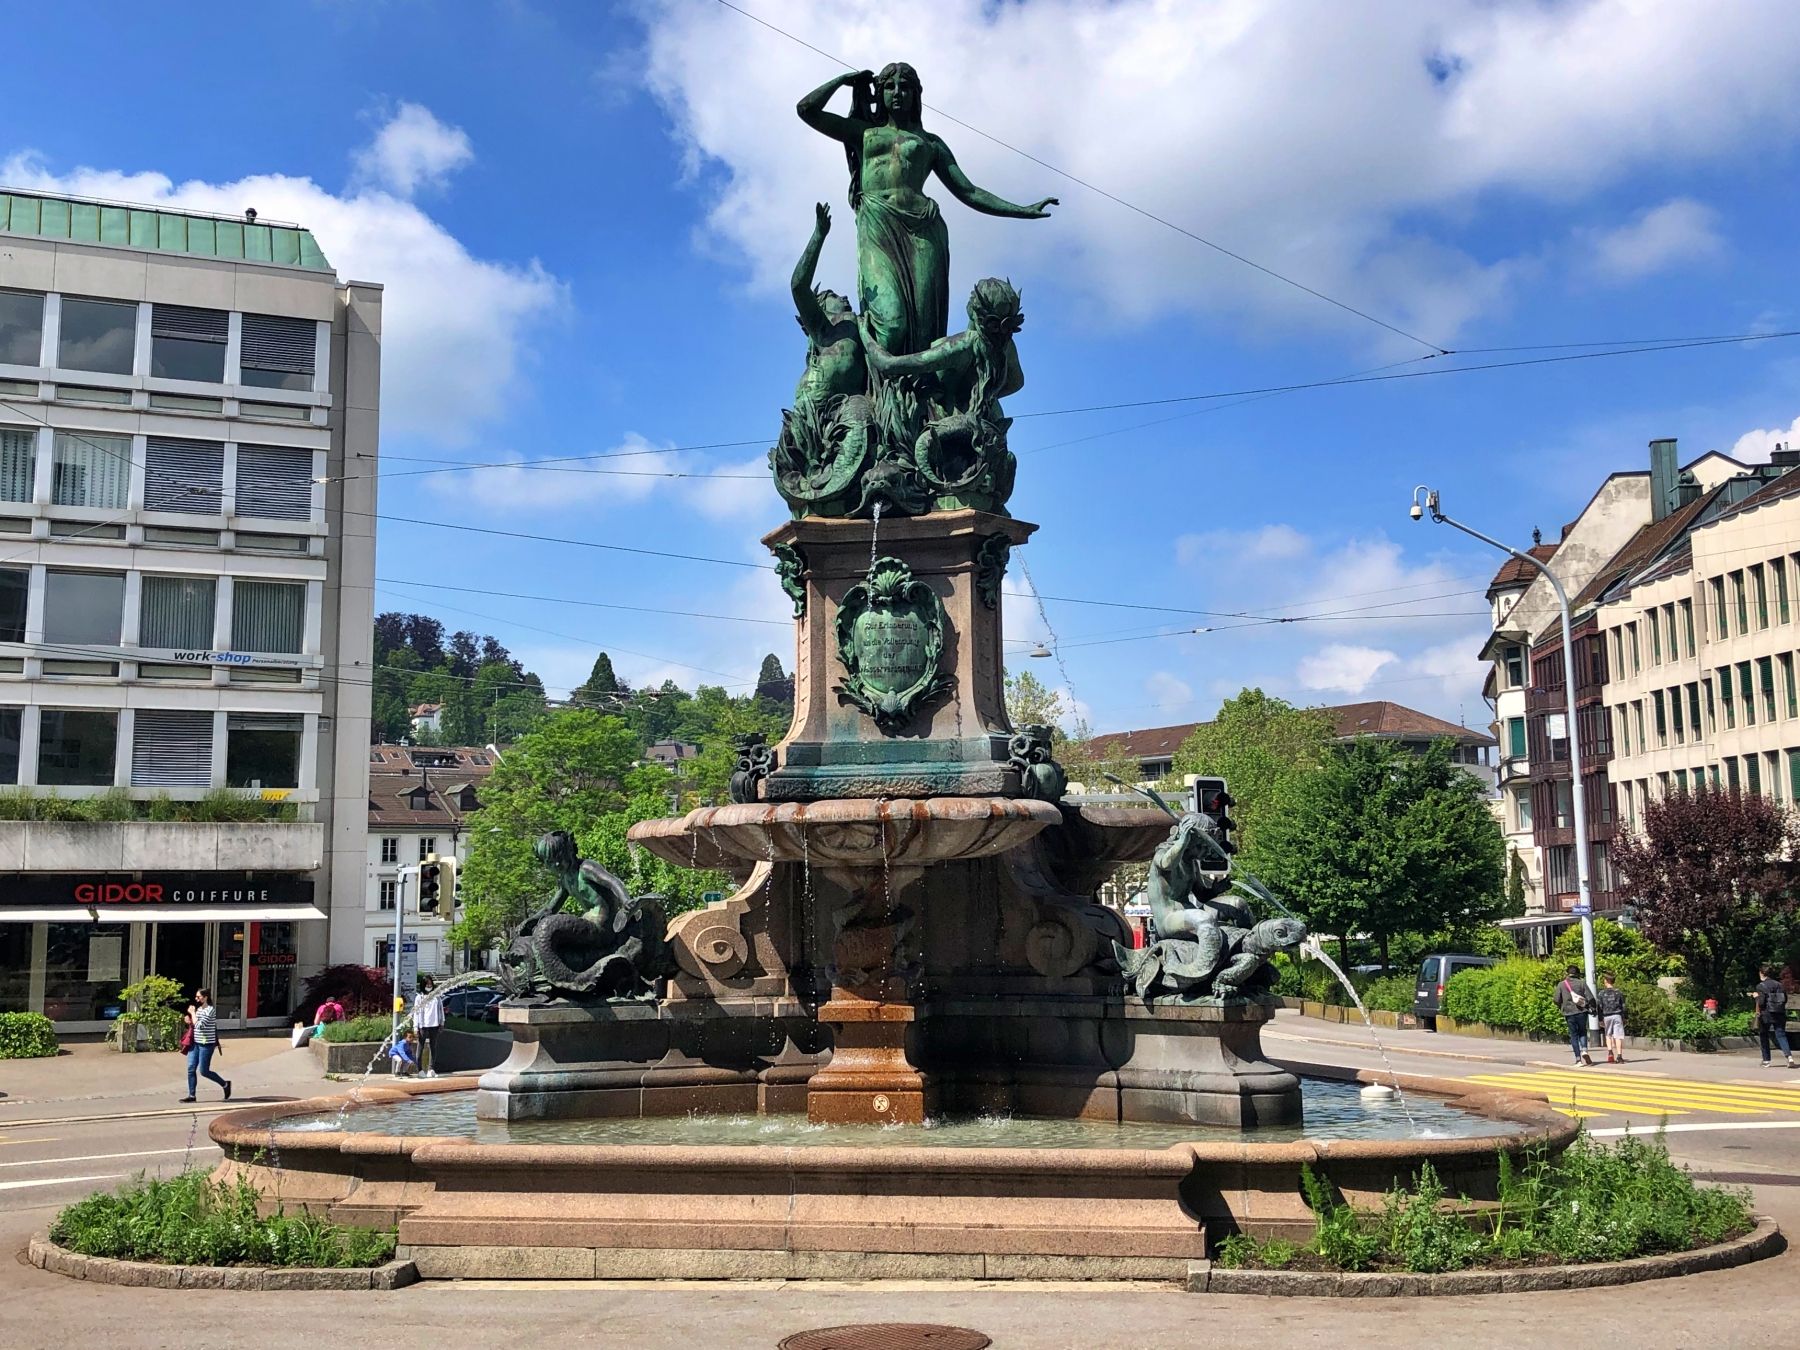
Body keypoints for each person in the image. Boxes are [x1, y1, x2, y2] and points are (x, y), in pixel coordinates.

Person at [797, 63, 1056, 359]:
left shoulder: (930, 144)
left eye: (905, 87)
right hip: (878, 227)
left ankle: (920, 399)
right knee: (891, 325)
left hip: (925, 231)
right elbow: (807, 110)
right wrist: (843, 80)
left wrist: (1022, 209)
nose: (897, 93)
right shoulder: (864, 133)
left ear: (916, 94)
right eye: (890, 87)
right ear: (879, 93)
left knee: (924, 332)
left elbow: (969, 191)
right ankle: (882, 388)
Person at [179, 988, 231, 1103]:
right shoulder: (199, 1010)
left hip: (206, 1044)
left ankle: (225, 1084)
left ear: (205, 997)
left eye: (199, 997)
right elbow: (195, 1024)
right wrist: (189, 1020)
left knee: (204, 1071)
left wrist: (192, 1013)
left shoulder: (210, 1010)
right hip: (195, 1043)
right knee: (191, 1068)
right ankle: (192, 1095)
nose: (196, 999)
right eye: (196, 997)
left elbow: (201, 1026)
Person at [1754, 963, 1795, 1069]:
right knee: (1781, 1035)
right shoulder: (1779, 985)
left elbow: (1762, 1002)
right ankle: (1789, 1057)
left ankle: (1766, 1060)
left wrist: (1755, 997)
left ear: (1762, 973)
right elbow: (1784, 999)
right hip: (1779, 1013)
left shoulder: (1760, 986)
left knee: (1764, 1035)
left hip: (1766, 1014)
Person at [1554, 965, 1596, 1067]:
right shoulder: (1581, 983)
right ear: (1577, 973)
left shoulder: (1561, 984)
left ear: (1567, 973)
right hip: (1582, 1012)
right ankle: (1584, 1050)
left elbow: (1556, 999)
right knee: (1582, 1032)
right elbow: (1590, 997)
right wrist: (1593, 1008)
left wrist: (1562, 1006)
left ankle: (1578, 1059)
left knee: (1574, 1035)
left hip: (1569, 1013)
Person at [414, 976, 444, 1079]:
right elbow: (416, 1013)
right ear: (423, 985)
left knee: (433, 1047)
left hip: (434, 1025)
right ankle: (419, 1070)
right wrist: (416, 1027)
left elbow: (441, 1010)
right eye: (427, 985)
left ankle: (431, 1069)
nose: (429, 986)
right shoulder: (419, 997)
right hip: (423, 1026)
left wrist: (442, 1022)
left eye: (430, 984)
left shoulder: (436, 996)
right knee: (420, 1047)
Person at [1596, 972, 1628, 1064]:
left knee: (1608, 1035)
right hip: (1617, 1015)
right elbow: (1623, 1006)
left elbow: (1599, 1007)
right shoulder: (1618, 992)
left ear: (1606, 981)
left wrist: (1600, 1019)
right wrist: (1625, 1017)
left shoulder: (1601, 993)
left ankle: (1610, 1053)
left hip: (1607, 1016)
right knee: (1618, 1036)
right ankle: (1619, 1056)